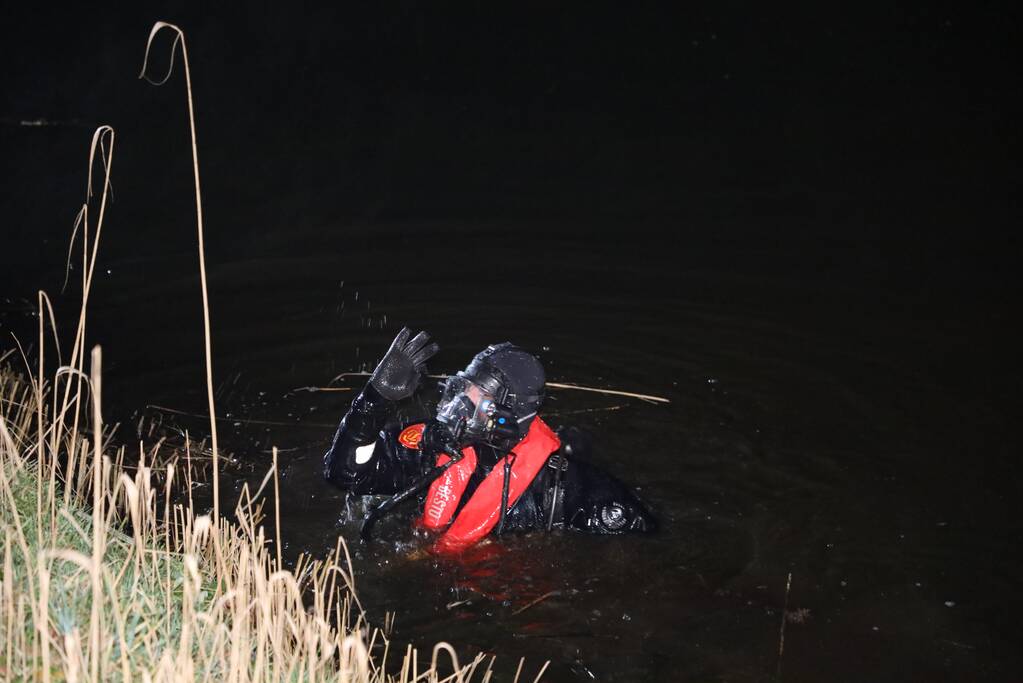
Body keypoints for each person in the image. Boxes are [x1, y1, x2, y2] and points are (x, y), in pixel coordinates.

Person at [323, 327, 657, 553]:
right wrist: (375, 400)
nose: (457, 410)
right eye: (459, 394)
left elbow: (643, 542)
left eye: (474, 403)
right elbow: (345, 475)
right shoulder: (434, 447)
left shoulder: (560, 487)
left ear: (509, 415)